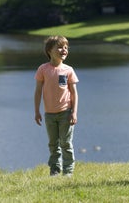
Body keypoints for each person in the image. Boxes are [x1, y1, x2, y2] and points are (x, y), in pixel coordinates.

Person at [34, 35, 79, 177]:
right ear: (49, 50)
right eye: (59, 47)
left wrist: (74, 112)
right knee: (53, 144)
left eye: (66, 47)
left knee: (66, 143)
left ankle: (68, 172)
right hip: (49, 114)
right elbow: (38, 91)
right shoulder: (43, 69)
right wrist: (37, 111)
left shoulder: (68, 70)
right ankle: (54, 170)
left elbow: (74, 93)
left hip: (66, 112)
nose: (64, 50)